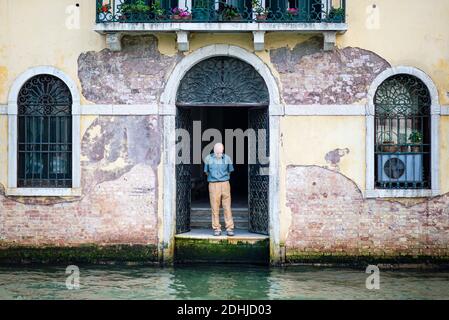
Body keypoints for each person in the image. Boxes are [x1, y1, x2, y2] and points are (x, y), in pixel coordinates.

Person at [204, 143, 235, 236]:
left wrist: (223, 179)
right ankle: (216, 228)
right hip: (213, 184)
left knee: (227, 206)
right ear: (213, 150)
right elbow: (206, 172)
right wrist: (215, 179)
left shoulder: (227, 158)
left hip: (225, 183)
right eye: (216, 152)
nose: (218, 154)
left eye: (220, 152)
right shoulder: (208, 158)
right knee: (214, 207)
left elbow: (230, 171)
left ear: (223, 150)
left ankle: (229, 228)